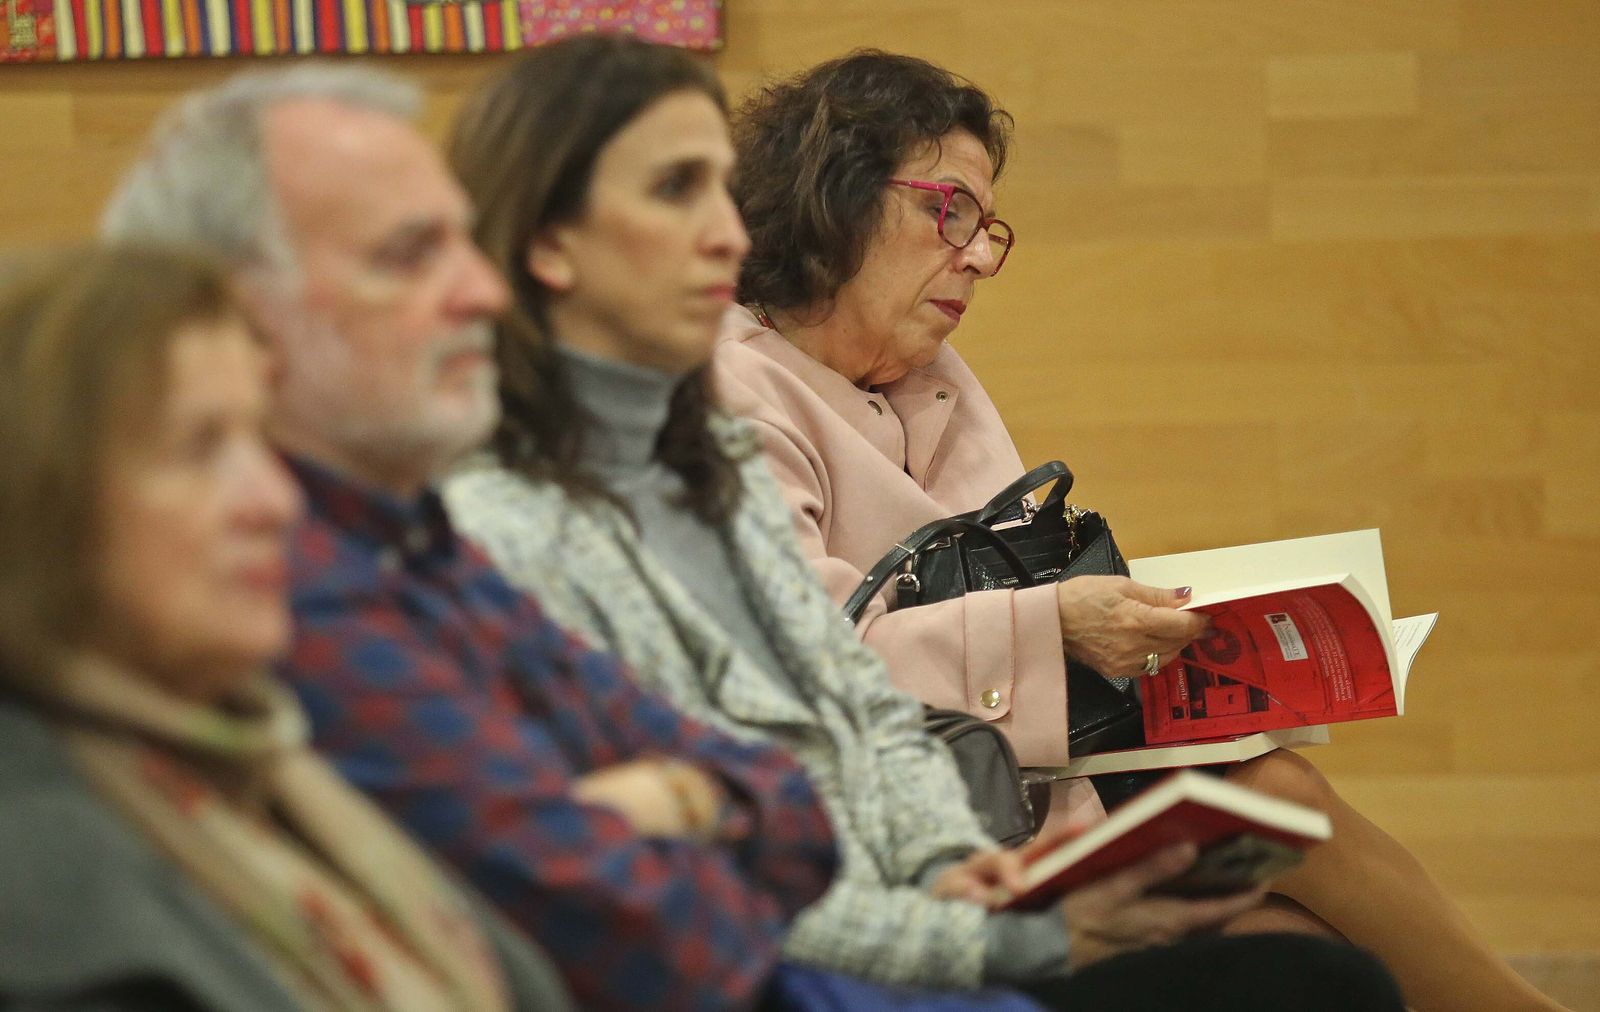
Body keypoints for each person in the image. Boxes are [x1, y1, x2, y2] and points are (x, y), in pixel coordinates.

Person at [442, 35, 1406, 1012]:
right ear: (550, 245)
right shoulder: (525, 511)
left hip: (951, 856)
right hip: (817, 959)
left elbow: (850, 699)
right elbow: (712, 869)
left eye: (717, 195)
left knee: (1303, 943)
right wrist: (983, 933)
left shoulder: (703, 446)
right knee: (1305, 964)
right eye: (675, 193)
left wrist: (955, 867)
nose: (724, 235)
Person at [712, 48, 1568, 1012]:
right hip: (888, 862)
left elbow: (999, 598)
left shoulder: (930, 376)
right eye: (947, 210)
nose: (978, 256)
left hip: (1022, 804)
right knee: (1276, 826)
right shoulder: (726, 395)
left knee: (1299, 914)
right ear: (835, 197)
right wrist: (1056, 628)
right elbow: (795, 668)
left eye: (987, 229)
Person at [100, 66, 848, 1012]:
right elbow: (666, 947)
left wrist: (675, 800)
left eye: (460, 240)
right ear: (241, 314)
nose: (482, 292)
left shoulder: (415, 533)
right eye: (410, 254)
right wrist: (689, 803)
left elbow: (795, 803)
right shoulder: (286, 580)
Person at [0, 245, 575, 1011]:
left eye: (260, 440)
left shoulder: (257, 758)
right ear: (38, 500)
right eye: (201, 448)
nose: (275, 501)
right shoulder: (43, 897)